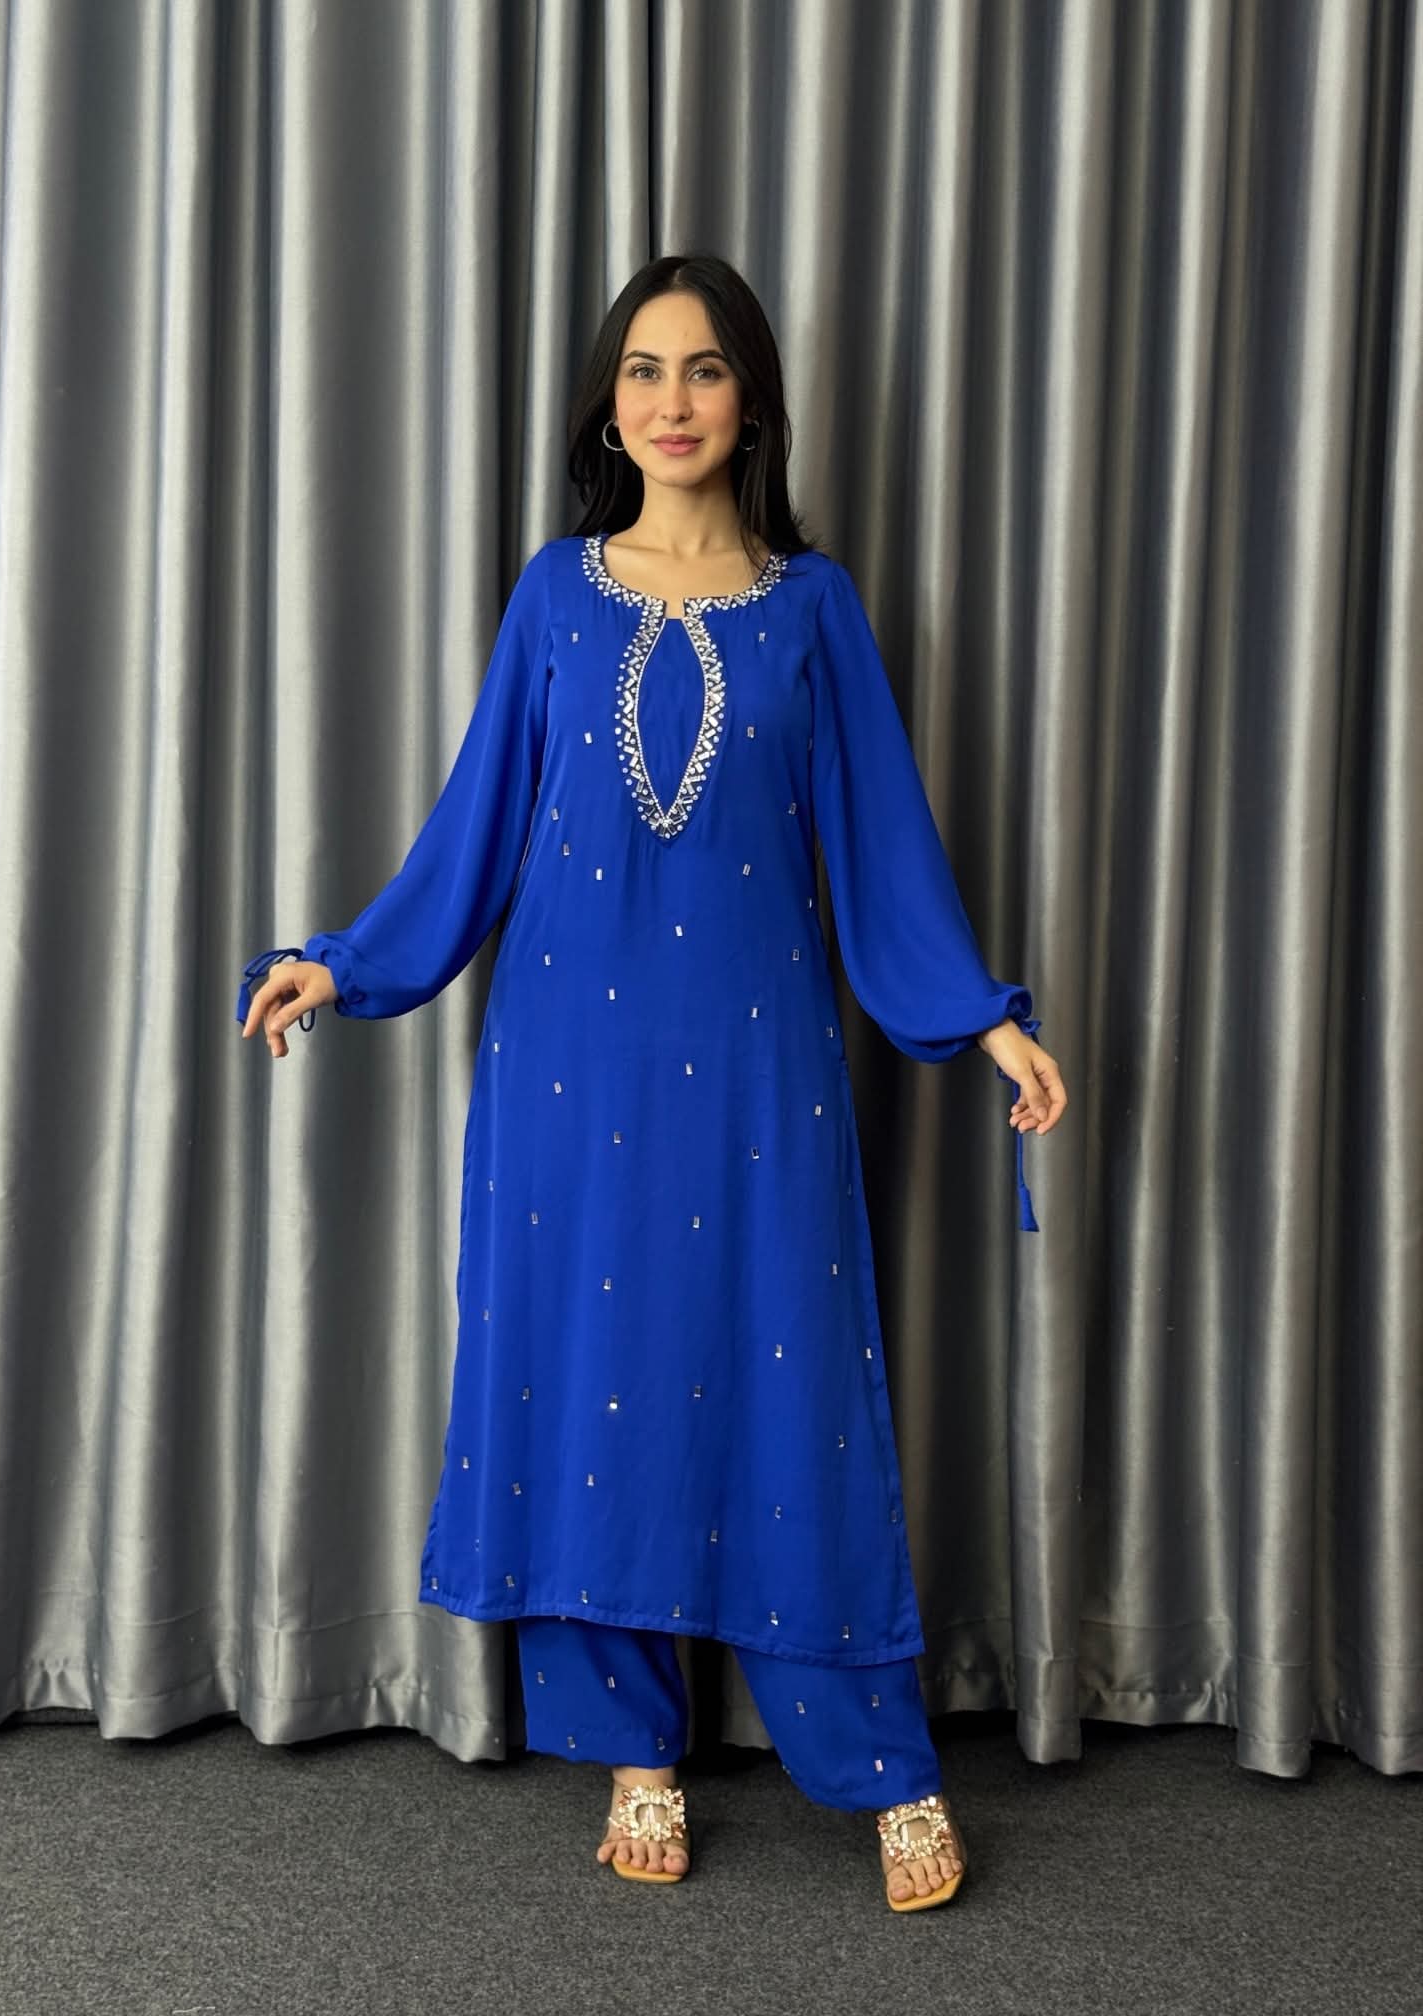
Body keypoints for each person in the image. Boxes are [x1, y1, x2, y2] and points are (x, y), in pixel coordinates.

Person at [238, 252, 1067, 1912]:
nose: (670, 401)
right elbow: (478, 824)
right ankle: (635, 1751)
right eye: (641, 370)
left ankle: (882, 1764)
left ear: (750, 402)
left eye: (702, 370)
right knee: (589, 1382)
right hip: (566, 1071)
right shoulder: (557, 595)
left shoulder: (814, 608)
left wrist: (984, 1021)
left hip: (761, 1078)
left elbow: (884, 847)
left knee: (793, 1392)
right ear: (607, 406)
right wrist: (348, 960)